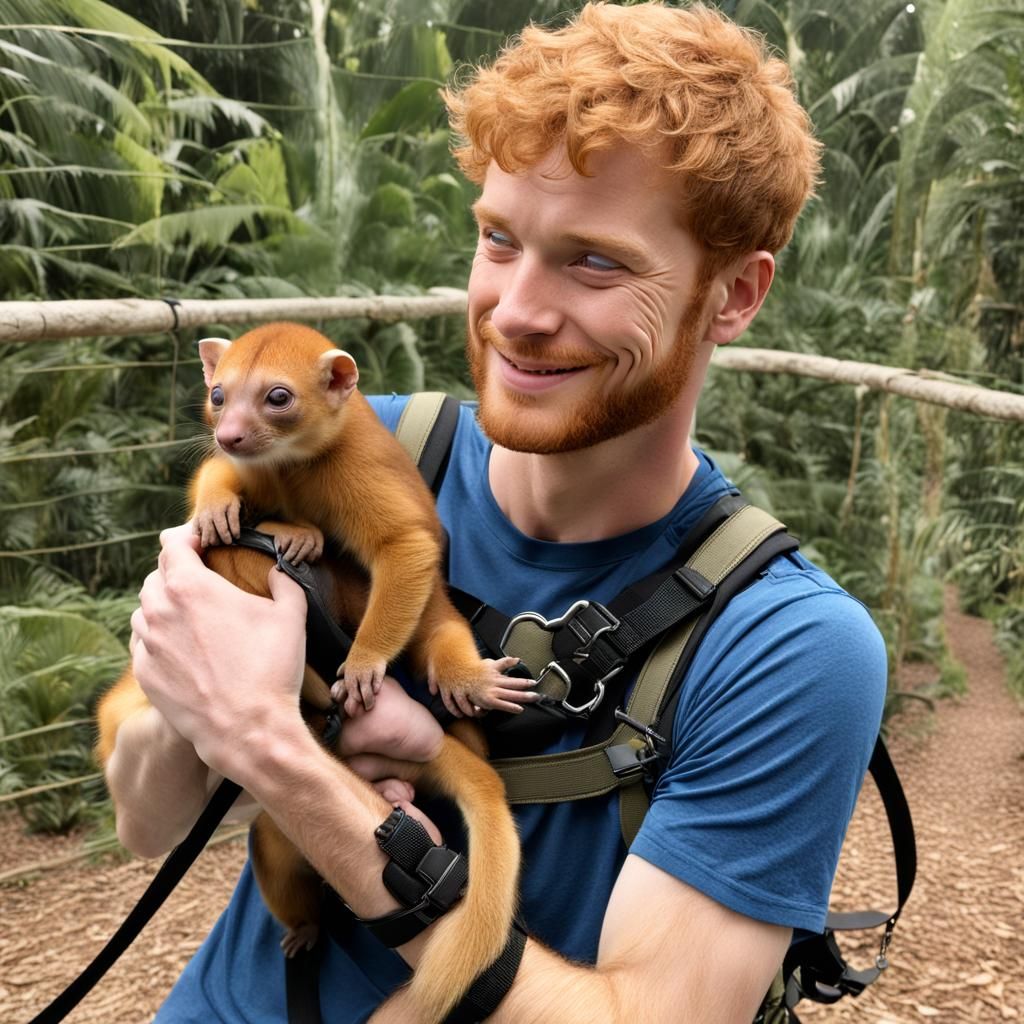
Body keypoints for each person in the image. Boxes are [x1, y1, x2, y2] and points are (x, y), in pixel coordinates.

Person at [116, 3, 887, 1021]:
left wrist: (282, 756)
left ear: (733, 297)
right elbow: (147, 818)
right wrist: (190, 669)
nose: (515, 310)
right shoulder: (365, 444)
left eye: (595, 260)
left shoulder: (784, 646)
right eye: (498, 238)